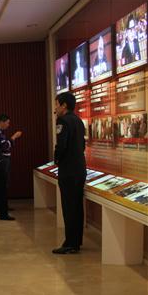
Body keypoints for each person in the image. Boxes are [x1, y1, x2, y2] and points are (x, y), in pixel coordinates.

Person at [53, 92, 86, 254]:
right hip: (79, 168)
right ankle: (76, 240)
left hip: (68, 170)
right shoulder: (78, 121)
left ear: (64, 105)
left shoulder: (63, 121)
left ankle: (70, 243)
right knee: (77, 206)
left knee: (69, 207)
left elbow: (61, 145)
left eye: (57, 104)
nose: (55, 109)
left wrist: (57, 159)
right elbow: (83, 145)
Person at [0, 114, 22, 214]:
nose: (8, 125)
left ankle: (2, 205)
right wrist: (14, 137)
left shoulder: (0, 132)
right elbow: (4, 146)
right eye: (7, 123)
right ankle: (1, 207)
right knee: (2, 184)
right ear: (2, 122)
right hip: (2, 160)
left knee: (3, 184)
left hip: (4, 160)